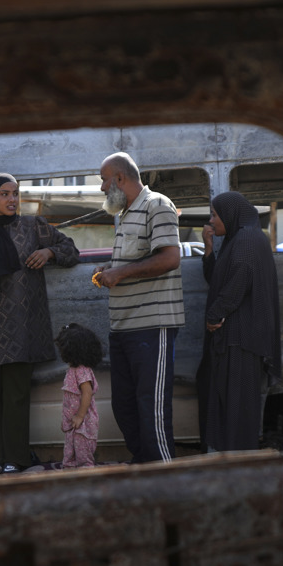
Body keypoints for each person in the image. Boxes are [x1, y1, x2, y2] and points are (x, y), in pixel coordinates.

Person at [0, 173, 79, 473]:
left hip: (23, 328)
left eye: (15, 193)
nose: (12, 199)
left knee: (16, 396)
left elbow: (71, 250)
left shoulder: (34, 227)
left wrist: (48, 251)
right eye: (4, 194)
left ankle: (15, 459)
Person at [93, 152, 185, 463]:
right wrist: (113, 268)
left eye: (104, 180)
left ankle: (163, 475)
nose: (102, 188)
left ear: (120, 178)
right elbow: (138, 261)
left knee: (152, 407)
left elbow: (170, 258)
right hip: (123, 328)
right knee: (125, 406)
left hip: (151, 326)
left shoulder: (157, 204)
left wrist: (120, 272)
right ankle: (144, 465)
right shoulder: (127, 212)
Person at [199, 191, 282, 452]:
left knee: (236, 406)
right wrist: (210, 249)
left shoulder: (246, 239)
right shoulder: (238, 238)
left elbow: (240, 278)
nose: (211, 221)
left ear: (230, 214)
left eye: (215, 214)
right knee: (228, 403)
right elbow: (218, 281)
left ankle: (237, 462)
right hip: (234, 339)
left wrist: (215, 314)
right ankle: (231, 458)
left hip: (241, 340)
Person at [55, 323, 102, 469]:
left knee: (83, 458)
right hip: (74, 424)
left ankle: (86, 480)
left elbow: (87, 393)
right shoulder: (73, 369)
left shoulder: (82, 371)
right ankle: (70, 476)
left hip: (84, 425)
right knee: (70, 454)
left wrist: (80, 416)